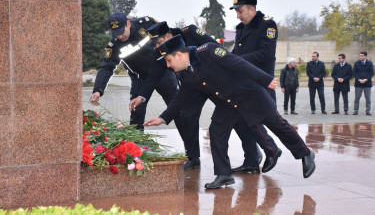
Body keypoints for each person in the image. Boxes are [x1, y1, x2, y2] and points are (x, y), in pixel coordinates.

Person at [144, 35, 316, 189]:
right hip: (228, 103)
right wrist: (163, 118)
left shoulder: (208, 51)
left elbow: (238, 63)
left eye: (168, 60)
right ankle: (224, 175)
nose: (168, 65)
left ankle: (306, 153)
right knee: (216, 131)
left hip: (249, 94)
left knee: (277, 125)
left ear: (179, 55)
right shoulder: (184, 74)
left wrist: (265, 79)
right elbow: (181, 97)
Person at [129, 21, 218, 170]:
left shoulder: (190, 32)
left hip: (214, 81)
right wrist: (141, 96)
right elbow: (154, 75)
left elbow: (216, 48)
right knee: (187, 116)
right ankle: (193, 157)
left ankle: (253, 157)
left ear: (168, 35)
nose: (157, 47)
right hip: (192, 87)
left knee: (235, 116)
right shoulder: (161, 51)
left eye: (158, 42)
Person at [90, 12, 183, 131]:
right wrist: (98, 90)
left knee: (177, 110)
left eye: (121, 32)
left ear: (128, 24)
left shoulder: (147, 24)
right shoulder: (114, 46)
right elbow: (107, 67)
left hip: (162, 73)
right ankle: (136, 148)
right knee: (136, 113)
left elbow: (168, 37)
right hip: (140, 77)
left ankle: (189, 147)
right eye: (116, 34)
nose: (119, 37)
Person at [229, 0, 278, 173]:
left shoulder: (267, 25)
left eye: (240, 11)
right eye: (236, 12)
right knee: (238, 121)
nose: (238, 16)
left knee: (260, 121)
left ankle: (272, 150)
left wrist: (236, 60)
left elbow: (266, 53)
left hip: (261, 83)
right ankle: (251, 159)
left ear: (252, 9)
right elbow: (234, 53)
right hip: (244, 84)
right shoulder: (241, 29)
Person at [352, 51, 374, 115]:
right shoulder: (356, 63)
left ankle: (368, 111)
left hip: (367, 84)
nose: (360, 57)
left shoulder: (370, 63)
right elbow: (354, 72)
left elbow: (371, 72)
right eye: (360, 56)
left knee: (368, 98)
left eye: (362, 56)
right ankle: (356, 110)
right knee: (357, 98)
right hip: (358, 84)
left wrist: (366, 79)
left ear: (365, 56)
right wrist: (359, 79)